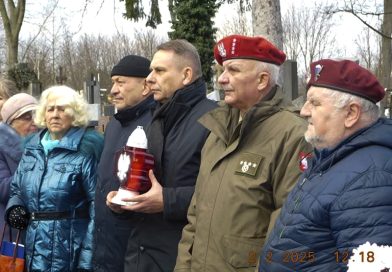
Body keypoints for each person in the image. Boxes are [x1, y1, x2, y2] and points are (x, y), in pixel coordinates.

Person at [175, 35, 312, 272]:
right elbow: (196, 215)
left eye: (233, 70)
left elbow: (289, 230)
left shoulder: (293, 134)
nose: (221, 79)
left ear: (262, 80)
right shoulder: (217, 129)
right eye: (222, 69)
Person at [258, 59, 392, 272]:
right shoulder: (331, 157)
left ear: (351, 114)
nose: (303, 111)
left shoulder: (369, 179)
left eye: (315, 103)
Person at [106, 39, 217, 271]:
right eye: (150, 71)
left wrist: (167, 201)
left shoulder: (213, 120)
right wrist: (125, 201)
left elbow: (222, 196)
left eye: (159, 70)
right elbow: (146, 185)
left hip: (182, 258)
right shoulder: (155, 119)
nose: (149, 78)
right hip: (140, 256)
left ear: (186, 75)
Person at [5, 85, 103, 272]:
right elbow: (17, 189)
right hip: (33, 247)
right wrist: (15, 207)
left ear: (75, 114)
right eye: (50, 109)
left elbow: (96, 207)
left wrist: (87, 258)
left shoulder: (85, 150)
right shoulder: (32, 149)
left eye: (62, 109)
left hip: (69, 251)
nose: (55, 115)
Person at [93, 55, 155, 272]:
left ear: (146, 85)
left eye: (121, 82)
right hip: (105, 241)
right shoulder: (113, 127)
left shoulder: (156, 125)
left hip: (136, 245)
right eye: (113, 83)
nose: (113, 90)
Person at [0, 93, 38, 238]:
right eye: (27, 118)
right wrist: (36, 172)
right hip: (10, 229)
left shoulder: (43, 145)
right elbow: (3, 188)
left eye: (36, 116)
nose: (34, 122)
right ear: (11, 122)